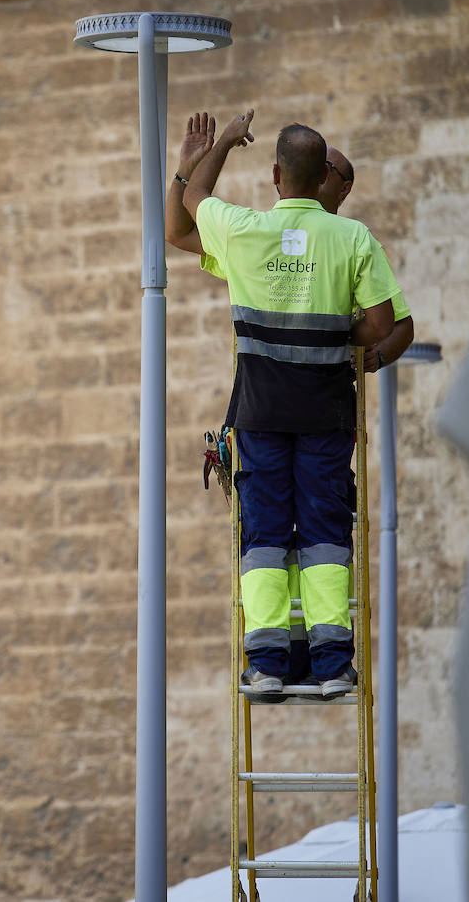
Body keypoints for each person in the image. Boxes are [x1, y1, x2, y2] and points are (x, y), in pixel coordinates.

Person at [165, 110, 399, 697]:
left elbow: (190, 203)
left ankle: (266, 663)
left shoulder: (243, 232)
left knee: (265, 537)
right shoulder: (353, 239)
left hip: (260, 418)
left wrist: (215, 145)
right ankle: (332, 665)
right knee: (324, 534)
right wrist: (340, 340)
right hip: (326, 416)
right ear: (323, 177)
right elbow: (385, 322)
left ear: (275, 174)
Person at [317, 145, 415, 371]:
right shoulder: (276, 231)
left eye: (326, 168)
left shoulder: (356, 240)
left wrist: (379, 356)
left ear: (344, 189)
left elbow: (403, 326)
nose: (317, 172)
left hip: (330, 388)